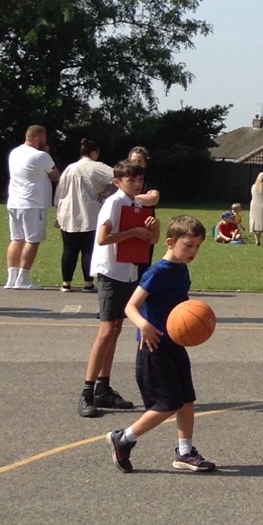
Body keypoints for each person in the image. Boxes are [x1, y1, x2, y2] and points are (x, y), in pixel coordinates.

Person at [108, 215, 215, 474]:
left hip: (175, 344)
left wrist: (194, 323)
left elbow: (180, 309)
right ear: (170, 242)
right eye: (188, 245)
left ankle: (185, 453)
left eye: (197, 246)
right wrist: (143, 325)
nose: (193, 251)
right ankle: (124, 438)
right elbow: (130, 306)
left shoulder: (182, 269)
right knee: (167, 405)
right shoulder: (156, 272)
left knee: (187, 400)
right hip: (154, 347)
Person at [80, 158, 158, 418]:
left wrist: (151, 230)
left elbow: (150, 240)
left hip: (129, 270)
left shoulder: (136, 204)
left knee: (115, 329)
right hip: (110, 271)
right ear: (117, 182)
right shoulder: (114, 202)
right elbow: (102, 238)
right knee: (105, 330)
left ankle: (103, 387)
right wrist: (133, 232)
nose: (137, 184)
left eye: (140, 179)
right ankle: (87, 391)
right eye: (131, 180)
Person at [5, 124, 60, 289]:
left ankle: (11, 278)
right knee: (32, 240)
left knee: (16, 239)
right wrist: (47, 153)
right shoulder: (40, 156)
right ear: (37, 138)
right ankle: (23, 278)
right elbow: (55, 175)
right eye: (44, 138)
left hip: (14, 201)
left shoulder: (15, 152)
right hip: (33, 203)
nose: (46, 141)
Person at [55, 138, 114, 292]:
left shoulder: (70, 168)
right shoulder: (98, 167)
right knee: (88, 249)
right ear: (94, 153)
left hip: (68, 213)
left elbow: (59, 192)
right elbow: (118, 177)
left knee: (69, 249)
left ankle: (66, 283)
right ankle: (88, 283)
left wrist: (58, 210)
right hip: (90, 213)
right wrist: (106, 192)